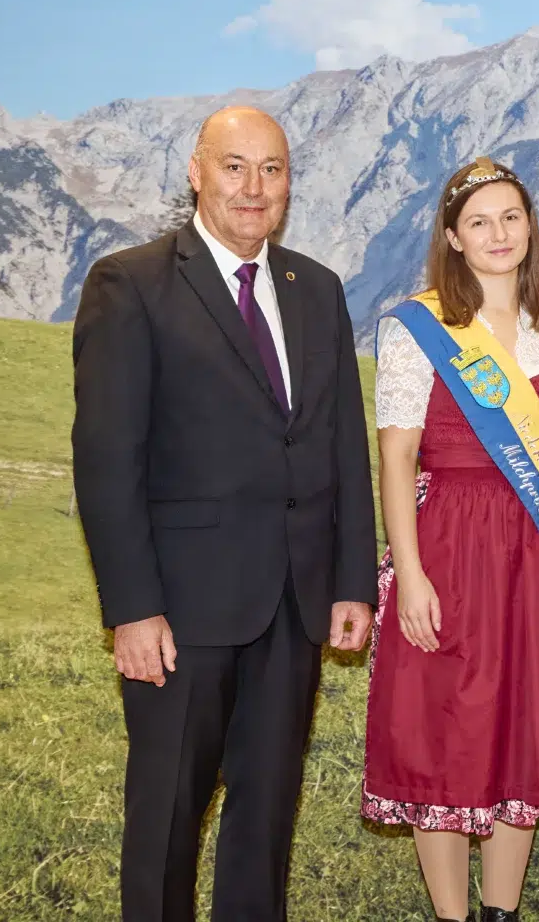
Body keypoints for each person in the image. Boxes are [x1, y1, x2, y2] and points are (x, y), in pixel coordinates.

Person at [71, 106, 377, 922]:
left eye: (272, 169)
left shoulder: (316, 288)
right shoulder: (129, 283)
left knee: (266, 820)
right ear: (197, 173)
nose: (254, 187)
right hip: (182, 609)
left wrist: (353, 583)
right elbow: (107, 463)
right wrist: (132, 609)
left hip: (295, 603)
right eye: (235, 166)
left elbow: (344, 445)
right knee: (168, 819)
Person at [361, 156, 539, 922]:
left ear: (530, 227)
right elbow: (396, 454)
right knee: (446, 731)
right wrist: (410, 572)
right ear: (452, 238)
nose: (498, 234)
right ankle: (451, 916)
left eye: (511, 217)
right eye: (479, 222)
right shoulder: (420, 325)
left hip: (534, 550)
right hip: (449, 545)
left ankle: (502, 913)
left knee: (522, 727)